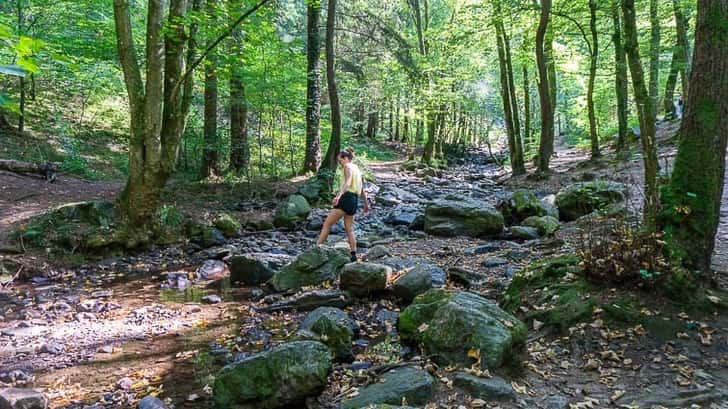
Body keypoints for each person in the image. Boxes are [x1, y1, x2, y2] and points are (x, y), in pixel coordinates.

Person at [316, 147, 369, 262]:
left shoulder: (347, 167)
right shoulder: (357, 169)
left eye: (340, 160)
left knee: (327, 224)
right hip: (354, 200)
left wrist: (338, 196)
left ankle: (317, 248)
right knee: (349, 229)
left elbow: (348, 181)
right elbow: (362, 189)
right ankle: (353, 254)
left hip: (346, 198)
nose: (340, 163)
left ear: (345, 158)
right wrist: (366, 203)